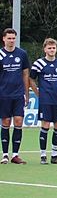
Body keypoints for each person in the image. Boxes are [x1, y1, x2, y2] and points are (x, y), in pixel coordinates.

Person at [29, 38, 57, 164]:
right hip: (45, 100)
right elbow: (31, 79)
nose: (52, 50)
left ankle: (55, 156)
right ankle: (43, 155)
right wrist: (38, 93)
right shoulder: (39, 63)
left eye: (54, 48)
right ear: (45, 49)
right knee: (45, 125)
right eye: (49, 48)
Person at [0, 28, 29, 164]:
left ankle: (15, 155)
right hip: (3, 94)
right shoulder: (0, 54)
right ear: (4, 39)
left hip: (18, 94)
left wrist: (26, 93)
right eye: (9, 38)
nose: (11, 41)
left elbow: (25, 74)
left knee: (18, 121)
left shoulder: (22, 54)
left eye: (13, 38)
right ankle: (5, 154)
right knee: (6, 122)